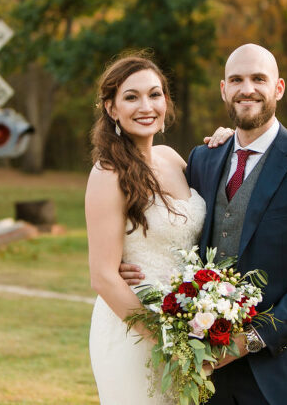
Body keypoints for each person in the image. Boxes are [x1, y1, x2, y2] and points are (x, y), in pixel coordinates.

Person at [120, 43, 287, 404]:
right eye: (237, 79)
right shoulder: (203, 159)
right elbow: (178, 226)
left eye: (259, 78)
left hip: (280, 374)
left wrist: (253, 338)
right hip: (205, 370)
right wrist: (128, 257)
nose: (248, 88)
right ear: (224, 89)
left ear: (278, 88)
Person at [86, 54, 232, 405]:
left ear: (166, 101)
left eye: (155, 94)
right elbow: (103, 276)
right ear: (111, 108)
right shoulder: (108, 174)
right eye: (131, 97)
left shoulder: (172, 158)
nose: (146, 106)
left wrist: (228, 143)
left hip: (188, 322)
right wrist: (168, 340)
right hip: (135, 329)